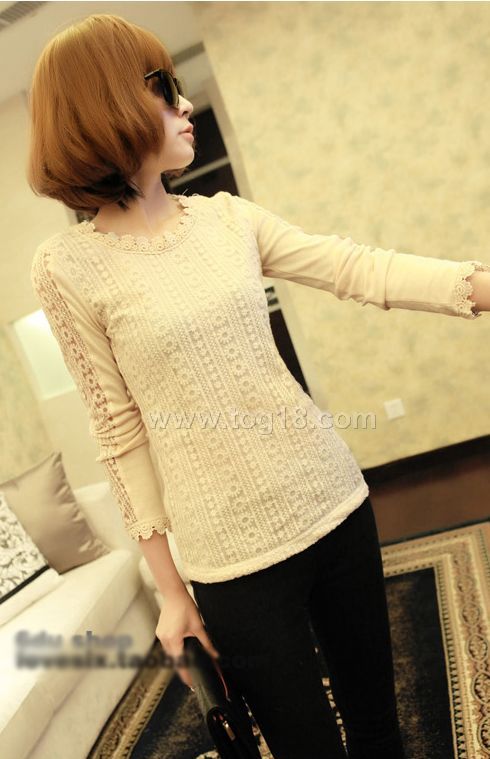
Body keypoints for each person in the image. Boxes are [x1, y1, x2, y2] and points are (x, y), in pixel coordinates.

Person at [27, 13, 490, 759]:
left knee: (380, 730)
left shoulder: (228, 220)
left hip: (333, 504)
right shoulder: (65, 268)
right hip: (229, 563)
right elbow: (118, 429)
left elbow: (355, 267)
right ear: (105, 106)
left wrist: (479, 285)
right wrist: (170, 591)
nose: (184, 104)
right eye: (161, 88)